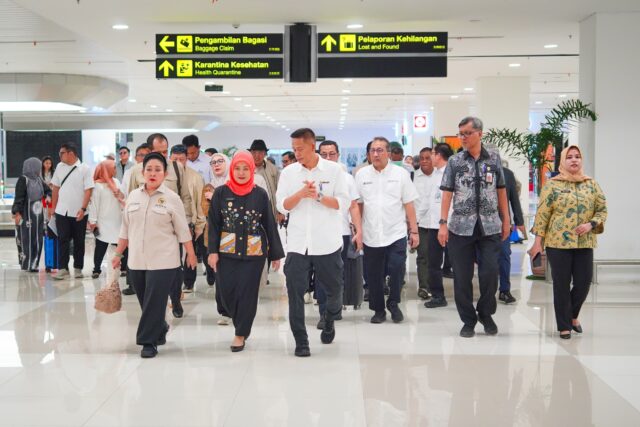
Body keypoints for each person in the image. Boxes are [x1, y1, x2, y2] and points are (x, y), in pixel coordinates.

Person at [112, 152, 196, 358]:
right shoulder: (133, 196)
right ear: (142, 172)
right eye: (149, 169)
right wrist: (118, 254)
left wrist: (190, 254)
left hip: (164, 261)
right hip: (136, 261)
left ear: (165, 174)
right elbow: (125, 229)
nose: (152, 173)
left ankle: (148, 342)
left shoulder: (172, 198)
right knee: (146, 302)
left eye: (157, 170)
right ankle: (160, 328)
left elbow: (183, 230)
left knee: (153, 301)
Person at [276, 128, 349, 357]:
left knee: (335, 291)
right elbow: (282, 206)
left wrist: (318, 196)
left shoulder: (334, 170)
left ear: (311, 146)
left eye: (300, 149)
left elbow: (343, 203)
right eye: (294, 149)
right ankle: (301, 341)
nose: (296, 153)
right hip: (298, 245)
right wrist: (301, 194)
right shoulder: (289, 173)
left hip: (327, 242)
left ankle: (329, 319)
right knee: (295, 294)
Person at [438, 117, 511, 338]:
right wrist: (442, 224)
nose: (463, 137)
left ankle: (486, 314)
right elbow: (447, 193)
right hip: (460, 227)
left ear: (480, 134)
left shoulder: (494, 159)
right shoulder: (455, 161)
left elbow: (501, 190)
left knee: (490, 273)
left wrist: (506, 220)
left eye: (467, 133)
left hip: (490, 226)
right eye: (460, 133)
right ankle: (468, 320)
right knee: (462, 277)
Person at [207, 151, 284, 352]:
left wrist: (275, 254)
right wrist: (212, 251)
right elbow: (213, 224)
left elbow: (269, 224)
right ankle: (239, 320)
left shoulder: (260, 194)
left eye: (245, 169)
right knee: (226, 293)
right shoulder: (220, 193)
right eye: (237, 168)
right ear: (231, 170)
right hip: (226, 252)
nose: (241, 173)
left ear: (252, 170)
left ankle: (240, 333)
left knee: (248, 295)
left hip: (253, 254)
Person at [529, 145, 607, 339]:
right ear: (563, 161)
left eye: (577, 156)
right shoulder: (552, 185)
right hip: (558, 243)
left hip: (585, 242)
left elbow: (602, 209)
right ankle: (564, 326)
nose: (574, 160)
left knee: (583, 283)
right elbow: (542, 215)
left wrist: (591, 224)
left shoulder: (591, 184)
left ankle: (572, 316)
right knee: (561, 284)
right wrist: (538, 243)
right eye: (569, 157)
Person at [129, 134, 204, 318]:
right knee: (147, 270)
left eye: (165, 151)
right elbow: (131, 198)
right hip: (146, 230)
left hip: (171, 226)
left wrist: (188, 222)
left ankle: (175, 298)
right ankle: (153, 307)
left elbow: (185, 196)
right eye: (159, 152)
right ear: (150, 150)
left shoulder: (176, 167)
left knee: (174, 266)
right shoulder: (137, 170)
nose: (164, 155)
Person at [356, 137, 419, 324]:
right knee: (373, 275)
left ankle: (393, 302)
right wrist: (357, 230)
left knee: (397, 268)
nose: (376, 154)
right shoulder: (361, 175)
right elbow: (358, 205)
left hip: (395, 232)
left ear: (388, 153)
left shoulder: (401, 174)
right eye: (373, 150)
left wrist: (414, 231)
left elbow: (409, 204)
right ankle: (378, 310)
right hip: (371, 233)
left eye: (380, 150)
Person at [315, 141, 363, 328]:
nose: (328, 158)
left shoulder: (347, 178)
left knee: (337, 274)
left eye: (332, 154)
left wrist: (358, 231)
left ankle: (334, 309)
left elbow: (353, 206)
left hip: (341, 233)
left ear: (338, 155)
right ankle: (323, 313)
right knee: (321, 275)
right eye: (324, 154)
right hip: (318, 234)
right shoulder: (313, 177)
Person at [49, 142, 94, 280]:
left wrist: (83, 208)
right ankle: (63, 268)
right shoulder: (59, 167)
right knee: (62, 239)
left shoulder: (84, 169)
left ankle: (78, 268)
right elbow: (55, 188)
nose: (59, 155)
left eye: (62, 153)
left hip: (79, 212)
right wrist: (53, 207)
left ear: (71, 153)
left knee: (79, 241)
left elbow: (88, 190)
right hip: (62, 211)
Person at [171, 144, 207, 293]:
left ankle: (188, 282)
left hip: (188, 221)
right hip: (169, 221)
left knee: (189, 252)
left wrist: (199, 224)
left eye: (181, 159)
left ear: (186, 159)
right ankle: (174, 285)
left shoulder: (195, 177)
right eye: (175, 159)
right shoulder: (165, 176)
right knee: (174, 255)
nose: (178, 163)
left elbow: (200, 202)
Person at [202, 153, 232, 325]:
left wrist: (215, 198)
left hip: (233, 236)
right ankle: (224, 311)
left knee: (233, 275)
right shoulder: (208, 186)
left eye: (220, 161)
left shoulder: (234, 184)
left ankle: (237, 307)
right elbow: (206, 211)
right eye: (213, 162)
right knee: (219, 275)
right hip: (214, 236)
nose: (216, 165)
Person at [423, 143, 454, 309]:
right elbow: (429, 201)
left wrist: (446, 223)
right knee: (433, 263)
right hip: (433, 226)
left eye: (433, 153)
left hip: (451, 226)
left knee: (458, 262)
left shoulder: (452, 173)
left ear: (439, 155)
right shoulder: (434, 175)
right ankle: (437, 296)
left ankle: (463, 295)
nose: (430, 157)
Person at [12, 157, 51, 272]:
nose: (39, 170)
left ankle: (34, 264)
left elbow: (48, 190)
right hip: (26, 216)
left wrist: (48, 197)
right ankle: (27, 264)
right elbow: (19, 198)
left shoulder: (38, 180)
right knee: (26, 239)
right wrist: (17, 213)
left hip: (38, 217)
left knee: (37, 239)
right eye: (38, 167)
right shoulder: (23, 180)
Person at [88, 160, 125, 279]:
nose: (115, 170)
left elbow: (123, 196)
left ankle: (123, 268)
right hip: (103, 222)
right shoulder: (97, 186)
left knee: (121, 246)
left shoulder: (116, 182)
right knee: (100, 247)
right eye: (113, 168)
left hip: (117, 220)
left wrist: (120, 195)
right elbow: (94, 205)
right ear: (106, 169)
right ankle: (96, 269)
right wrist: (93, 222)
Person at [497, 160, 525, 304]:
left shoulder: (507, 174)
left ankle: (504, 290)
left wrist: (519, 222)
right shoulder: (477, 171)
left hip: (503, 223)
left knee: (504, 255)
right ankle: (486, 291)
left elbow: (514, 199)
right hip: (480, 224)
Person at [414, 147, 434, 300]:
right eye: (422, 158)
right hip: (420, 224)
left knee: (436, 257)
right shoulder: (413, 177)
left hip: (438, 223)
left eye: (428, 158)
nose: (424, 161)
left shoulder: (441, 175)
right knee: (423, 255)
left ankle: (435, 286)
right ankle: (423, 287)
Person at [249, 139, 281, 223]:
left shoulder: (273, 169)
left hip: (271, 210)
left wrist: (280, 211)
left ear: (265, 153)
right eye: (254, 152)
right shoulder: (246, 169)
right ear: (250, 153)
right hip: (251, 212)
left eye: (260, 152)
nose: (257, 155)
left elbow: (280, 190)